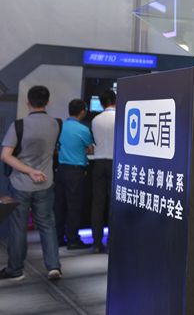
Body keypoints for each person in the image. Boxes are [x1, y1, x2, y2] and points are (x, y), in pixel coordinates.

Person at [0, 86, 62, 281]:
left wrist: (29, 171)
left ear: (28, 102)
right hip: (45, 183)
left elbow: (5, 156)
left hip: (20, 184)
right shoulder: (57, 124)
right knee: (47, 225)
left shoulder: (18, 125)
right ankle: (53, 267)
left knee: (18, 227)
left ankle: (15, 269)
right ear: (48, 102)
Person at [54, 99, 93, 250]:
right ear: (82, 112)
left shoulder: (60, 126)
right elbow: (90, 149)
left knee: (59, 205)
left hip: (60, 170)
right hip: (76, 172)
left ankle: (58, 238)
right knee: (74, 206)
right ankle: (73, 239)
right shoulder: (83, 129)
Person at [90, 89, 116, 253]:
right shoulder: (120, 117)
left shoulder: (95, 120)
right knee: (114, 203)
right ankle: (113, 241)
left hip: (99, 162)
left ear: (101, 103)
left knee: (98, 203)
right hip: (115, 162)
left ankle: (96, 242)